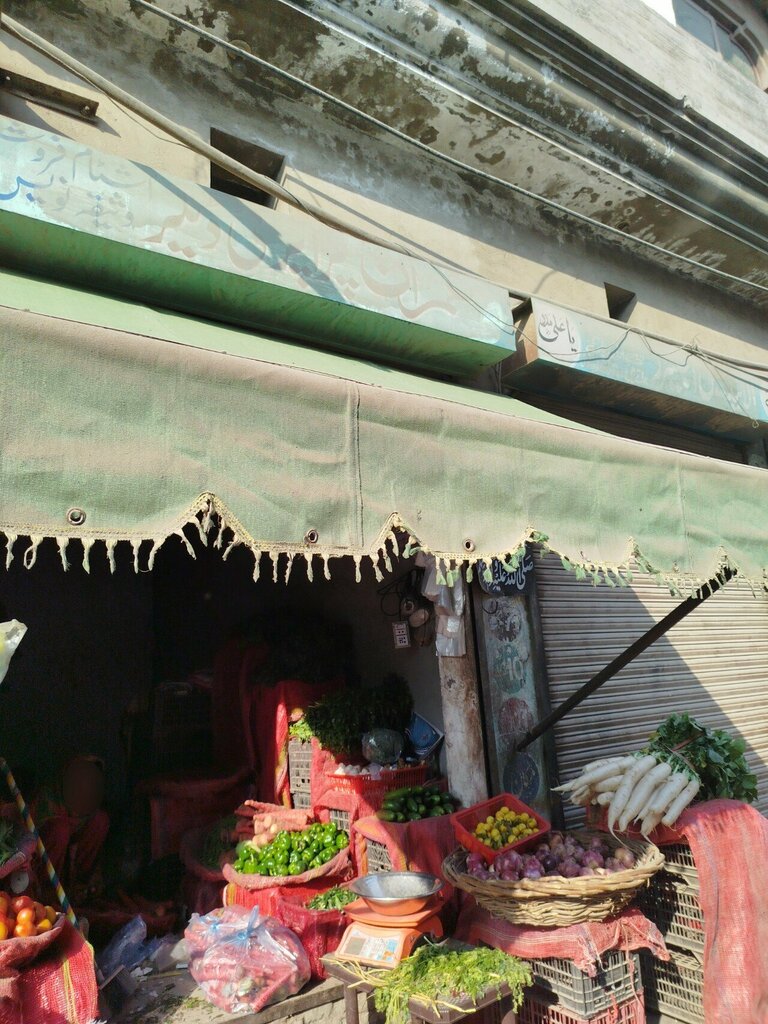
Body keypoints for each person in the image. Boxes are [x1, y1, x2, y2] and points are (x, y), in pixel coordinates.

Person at [34, 755, 109, 904]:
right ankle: (48, 895)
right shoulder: (46, 801)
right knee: (60, 830)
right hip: (42, 879)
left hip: (71, 878)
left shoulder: (90, 811)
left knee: (101, 820)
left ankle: (80, 889)